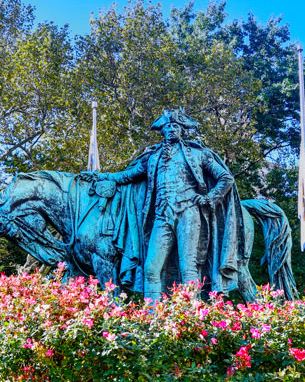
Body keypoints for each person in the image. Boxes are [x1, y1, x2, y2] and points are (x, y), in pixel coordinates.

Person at [93, 109, 246, 301]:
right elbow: (126, 176)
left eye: (176, 126)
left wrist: (209, 197)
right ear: (162, 130)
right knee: (150, 267)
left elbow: (225, 178)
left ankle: (191, 314)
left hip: (188, 212)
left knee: (188, 266)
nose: (172, 129)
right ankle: (152, 317)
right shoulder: (152, 157)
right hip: (161, 215)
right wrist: (102, 177)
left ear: (182, 130)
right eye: (168, 126)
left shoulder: (198, 154)